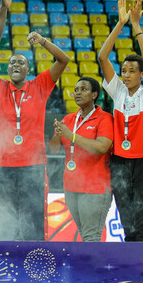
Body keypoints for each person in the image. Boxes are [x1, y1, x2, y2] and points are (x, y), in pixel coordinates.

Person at [0, 0, 70, 241]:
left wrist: (43, 41)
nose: (15, 65)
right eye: (11, 62)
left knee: (33, 219)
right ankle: (6, 265)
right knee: (3, 220)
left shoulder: (40, 86)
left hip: (33, 165)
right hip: (1, 165)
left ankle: (33, 263)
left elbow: (63, 60)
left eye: (21, 62)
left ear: (27, 69)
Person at [98, 0, 143, 242]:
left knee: (142, 219)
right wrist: (120, 24)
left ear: (142, 74)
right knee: (127, 220)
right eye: (123, 71)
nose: (125, 75)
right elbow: (103, 58)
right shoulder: (118, 91)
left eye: (131, 71)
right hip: (120, 161)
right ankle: (131, 269)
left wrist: (136, 26)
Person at [48, 77, 114, 241]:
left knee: (92, 236)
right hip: (71, 186)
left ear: (94, 95)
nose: (78, 93)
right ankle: (89, 267)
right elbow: (54, 150)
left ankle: (93, 267)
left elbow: (101, 147)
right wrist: (57, 134)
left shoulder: (104, 118)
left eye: (83, 89)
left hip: (95, 188)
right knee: (84, 234)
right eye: (76, 89)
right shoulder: (69, 119)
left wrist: (71, 136)